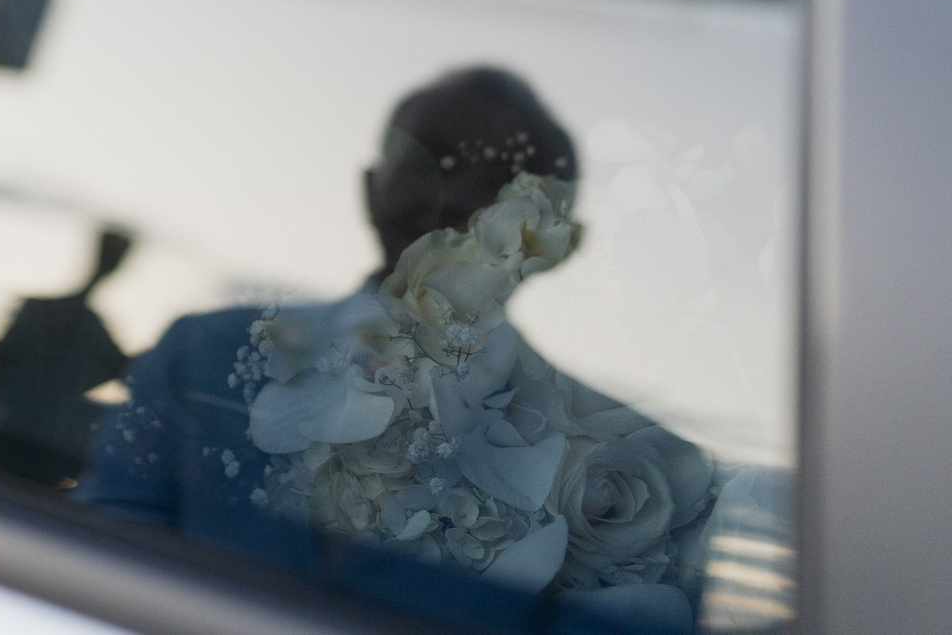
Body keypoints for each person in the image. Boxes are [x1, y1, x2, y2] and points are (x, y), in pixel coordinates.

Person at [84, 67, 716, 635]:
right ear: (370, 188)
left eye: (502, 178)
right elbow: (98, 559)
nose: (454, 198)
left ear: (556, 240)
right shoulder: (206, 350)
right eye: (425, 161)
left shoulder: (636, 465)